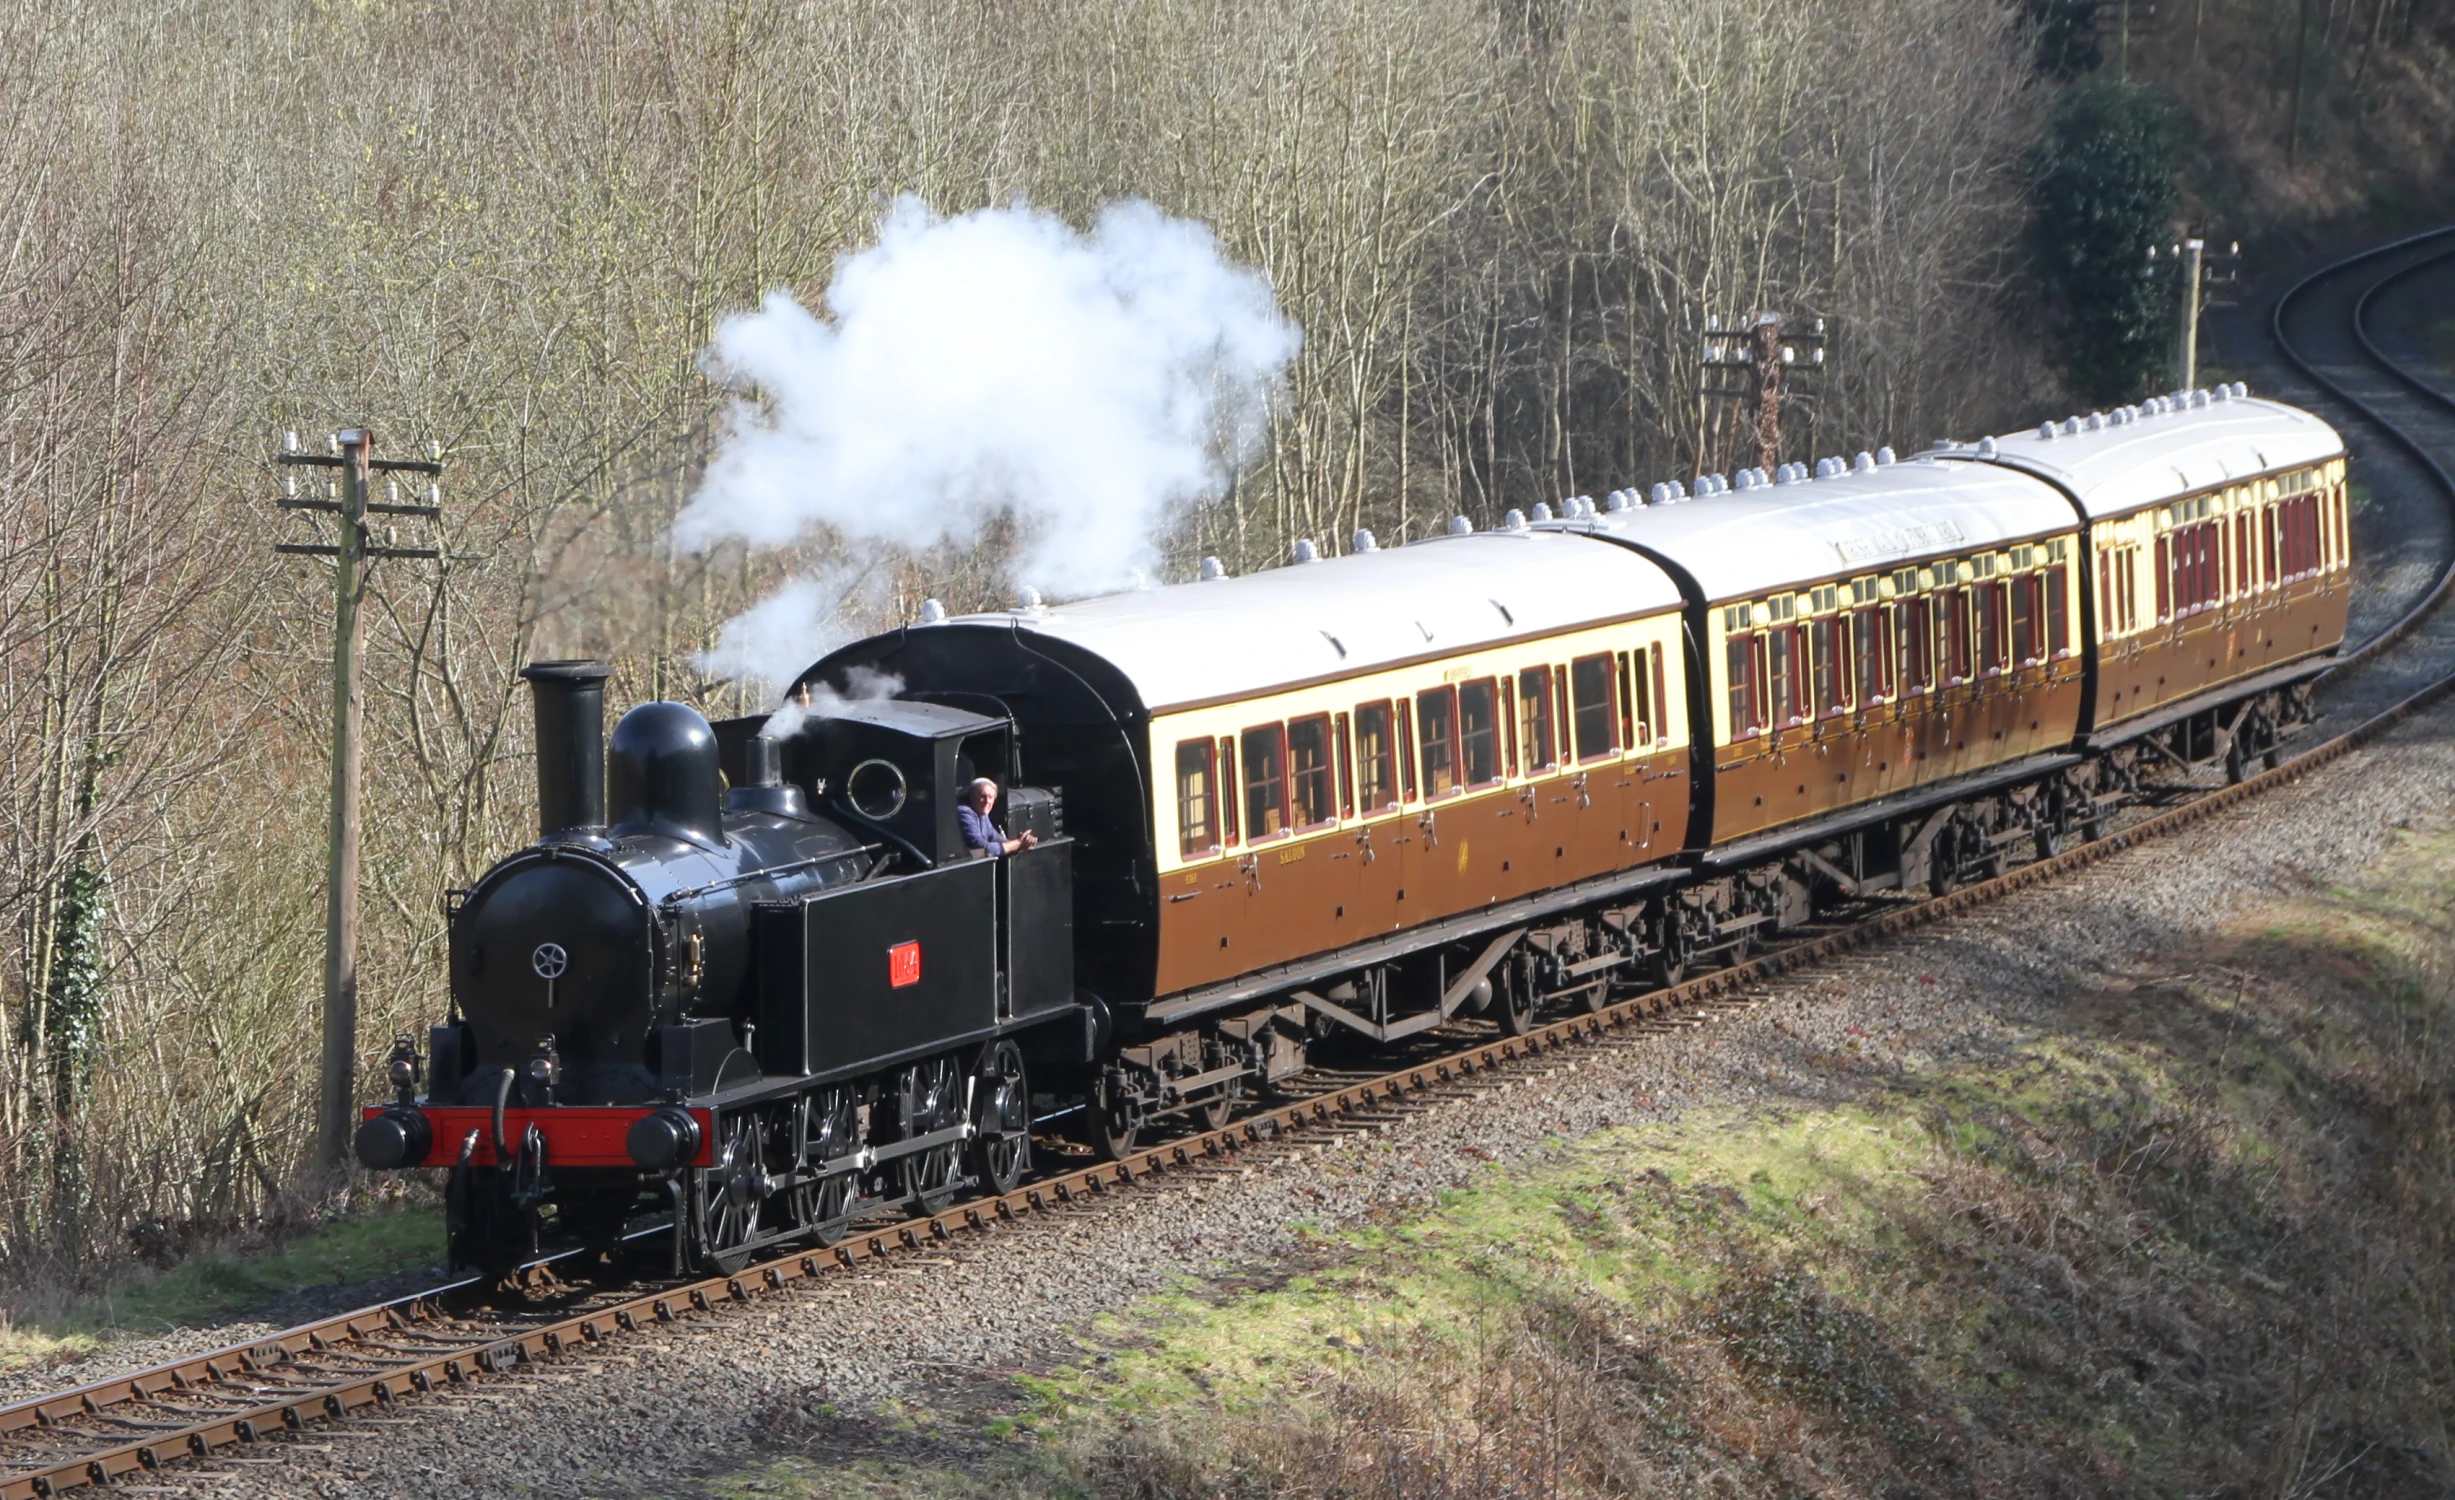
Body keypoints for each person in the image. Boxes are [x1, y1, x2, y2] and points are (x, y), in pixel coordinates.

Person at [959, 777, 1038, 857]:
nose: (987, 801)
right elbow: (982, 849)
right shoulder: (964, 812)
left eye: (990, 797)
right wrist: (1018, 843)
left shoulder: (982, 814)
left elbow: (996, 838)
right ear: (971, 797)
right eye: (983, 796)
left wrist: (1024, 842)